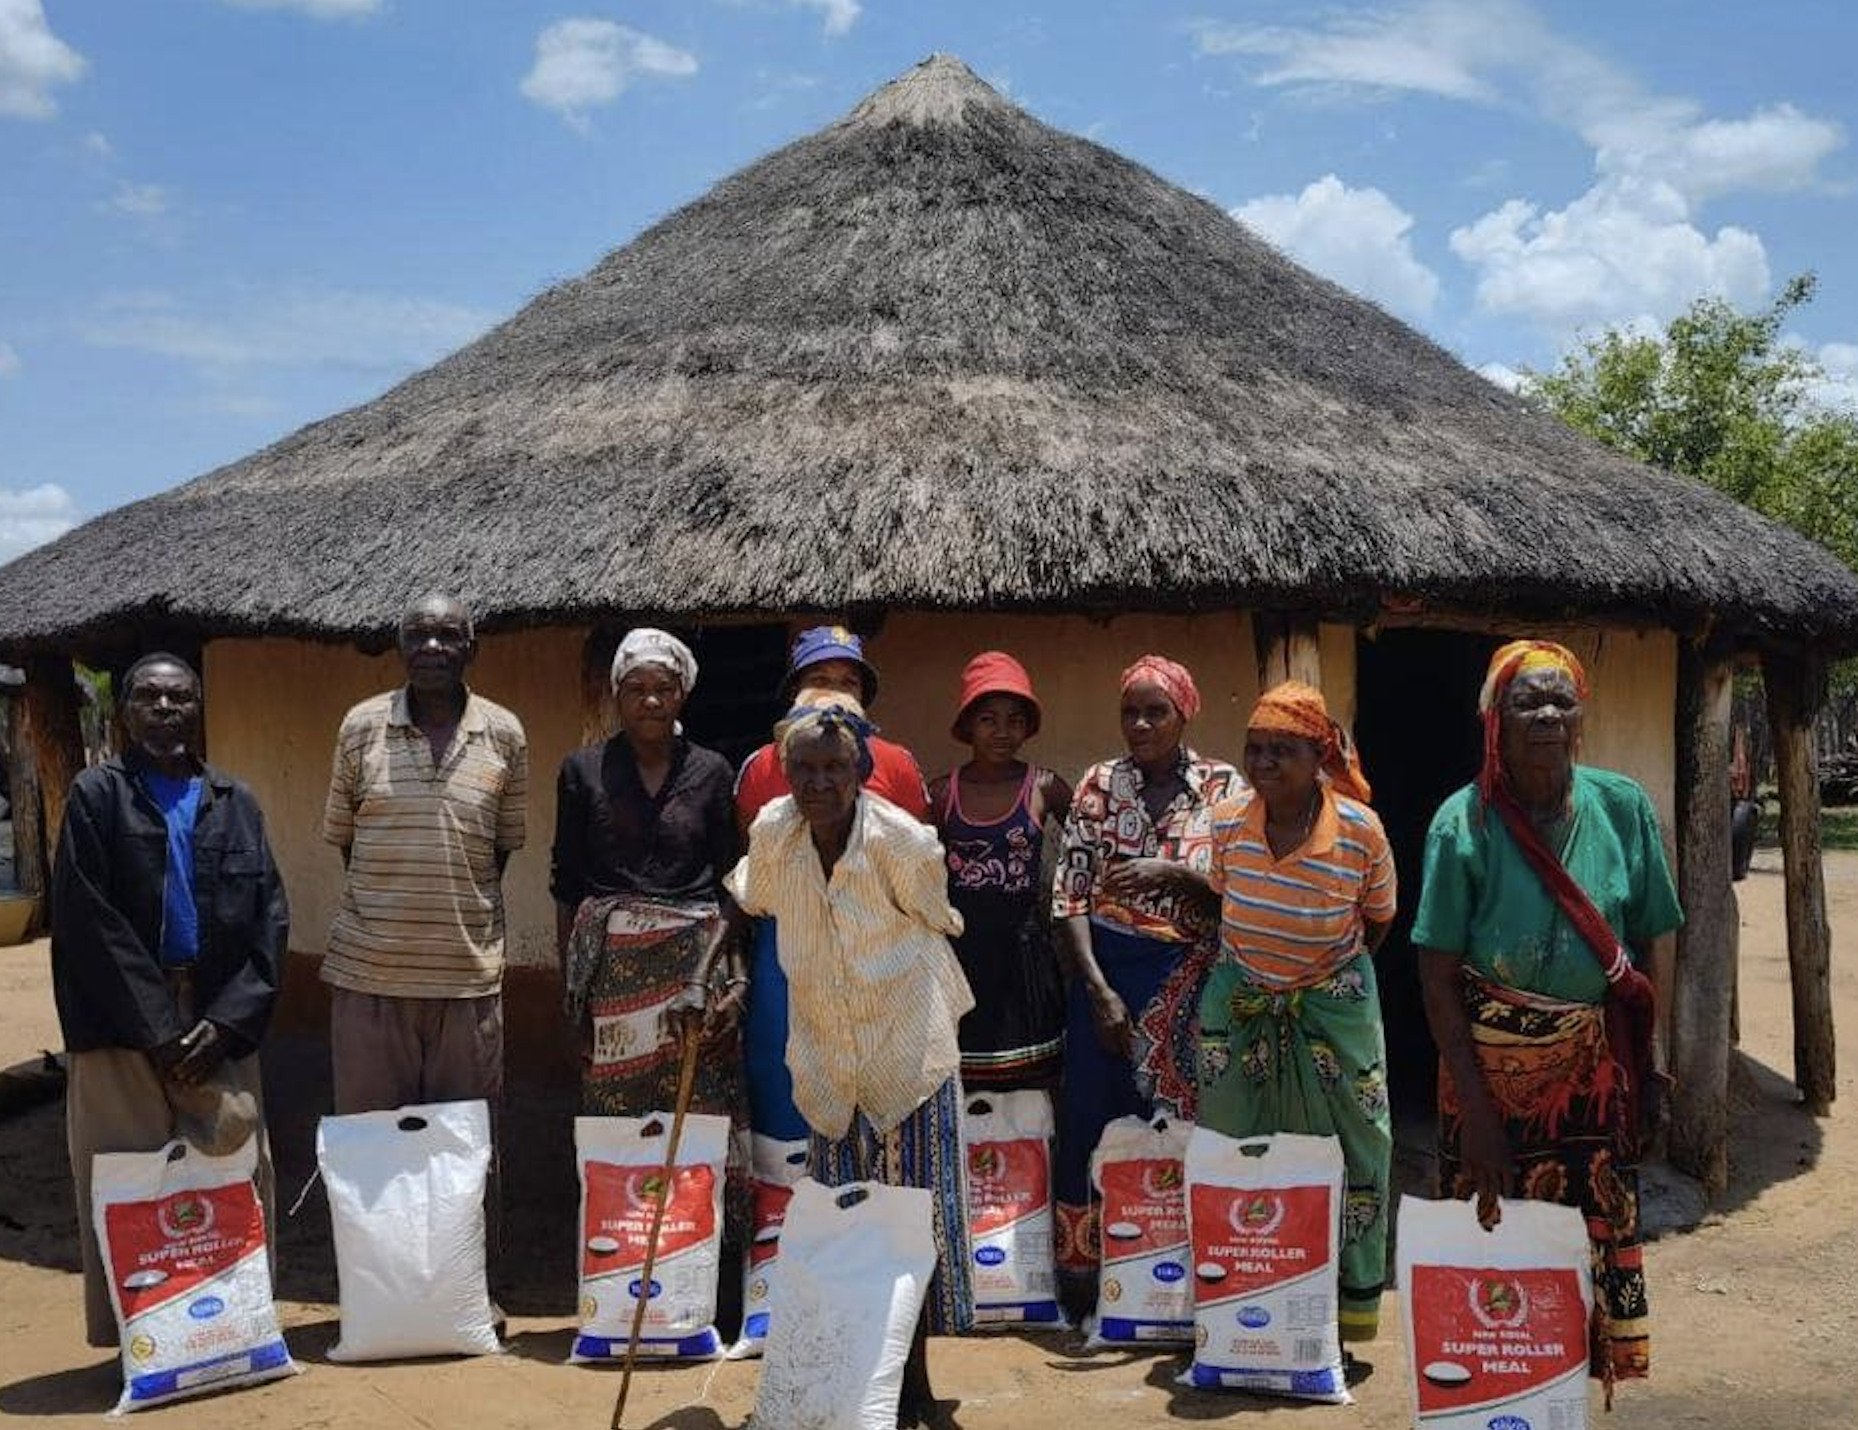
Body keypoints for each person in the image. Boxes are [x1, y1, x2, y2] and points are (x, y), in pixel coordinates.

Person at [671, 701, 973, 1426]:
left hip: (906, 1056)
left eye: (834, 768)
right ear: (785, 774)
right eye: (802, 769)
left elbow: (937, 921)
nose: (817, 783)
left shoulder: (903, 842)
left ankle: (914, 1391)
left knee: (911, 1231)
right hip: (830, 1063)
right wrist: (698, 977)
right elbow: (741, 904)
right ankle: (854, 1390)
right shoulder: (775, 830)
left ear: (861, 772)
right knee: (848, 1235)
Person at [1413, 640, 1682, 1390]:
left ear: (1581, 715)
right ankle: (1487, 1392)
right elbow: (1435, 977)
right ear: (1494, 720)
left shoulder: (1622, 808)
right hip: (1486, 1071)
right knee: (1487, 1245)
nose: (1547, 716)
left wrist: (1648, 1066)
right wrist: (1479, 1110)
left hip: (1594, 1070)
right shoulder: (1460, 825)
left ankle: (1561, 1393)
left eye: (1562, 700)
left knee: (1584, 1243)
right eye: (1527, 701)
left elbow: (1645, 951)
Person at [1123, 681, 1396, 1342]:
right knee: (1234, 1144)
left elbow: (1379, 921)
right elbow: (1224, 903)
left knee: (1358, 1144)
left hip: (1333, 1006)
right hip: (1241, 1005)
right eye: (1255, 749)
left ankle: (1345, 1306)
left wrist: (1317, 979)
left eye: (1283, 750)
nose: (1265, 763)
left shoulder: (1360, 829)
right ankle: (1245, 1291)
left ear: (1319, 756)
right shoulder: (1228, 822)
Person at [52, 652, 289, 1348]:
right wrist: (157, 1029)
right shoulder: (97, 797)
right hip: (122, 1027)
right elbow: (88, 922)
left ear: (199, 708)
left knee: (235, 1170)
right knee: (122, 1176)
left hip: (218, 1017)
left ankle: (231, 1332)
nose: (164, 709)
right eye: (148, 697)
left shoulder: (234, 801)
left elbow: (269, 918)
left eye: (179, 698)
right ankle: (142, 1342)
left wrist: (224, 1023)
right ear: (124, 712)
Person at [1048, 654, 1241, 1301]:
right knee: (1090, 1115)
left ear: (1184, 713)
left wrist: (1177, 878)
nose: (1140, 723)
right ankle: (1086, 1280)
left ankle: (1175, 1277)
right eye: (1130, 710)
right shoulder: (1100, 784)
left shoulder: (1223, 787)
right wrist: (1098, 992)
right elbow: (1069, 897)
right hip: (1107, 969)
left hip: (1188, 976)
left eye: (1155, 711)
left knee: (1182, 1117)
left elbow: (1241, 895)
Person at [550, 628, 747, 1225]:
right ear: (616, 695)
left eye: (664, 688)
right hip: (612, 979)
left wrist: (733, 979)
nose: (651, 701)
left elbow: (731, 884)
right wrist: (574, 1001)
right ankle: (618, 1254)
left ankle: (698, 1261)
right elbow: (566, 887)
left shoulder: (712, 772)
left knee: (700, 1113)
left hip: (696, 972)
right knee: (617, 1121)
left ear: (683, 694)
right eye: (636, 688)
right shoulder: (582, 772)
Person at [322, 592, 528, 1118]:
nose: (431, 647)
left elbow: (498, 849)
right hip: (369, 978)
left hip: (466, 983)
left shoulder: (504, 734)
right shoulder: (359, 727)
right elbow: (349, 841)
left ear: (472, 649)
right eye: (417, 635)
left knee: (460, 1154)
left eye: (447, 635)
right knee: (371, 1149)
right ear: (399, 647)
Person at [734, 625, 930, 1145]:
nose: (835, 691)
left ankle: (871, 1216)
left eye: (848, 681)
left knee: (878, 1086)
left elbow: (919, 865)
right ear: (795, 688)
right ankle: (788, 1215)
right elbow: (753, 868)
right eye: (821, 677)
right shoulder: (759, 768)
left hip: (879, 949)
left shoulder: (898, 764)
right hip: (789, 947)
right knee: (786, 1079)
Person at [928, 652, 1072, 1089]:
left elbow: (1088, 853)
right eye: (989, 719)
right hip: (963, 958)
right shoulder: (939, 795)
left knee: (1036, 1087)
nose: (1002, 732)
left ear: (1028, 726)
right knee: (966, 1087)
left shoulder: (1046, 787)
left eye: (1015, 719)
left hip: (1026, 956)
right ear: (968, 724)